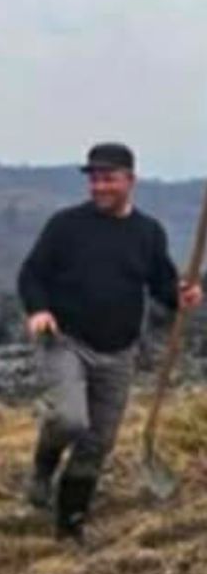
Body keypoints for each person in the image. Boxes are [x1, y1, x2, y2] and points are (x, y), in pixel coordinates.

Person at [19, 143, 203, 544]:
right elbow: (31, 274)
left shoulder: (148, 232)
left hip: (119, 351)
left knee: (97, 442)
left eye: (108, 178)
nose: (98, 186)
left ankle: (69, 527)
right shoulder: (66, 225)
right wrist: (38, 310)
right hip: (65, 340)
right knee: (69, 419)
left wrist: (181, 295)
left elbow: (162, 285)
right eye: (94, 178)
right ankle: (42, 467)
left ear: (129, 181)